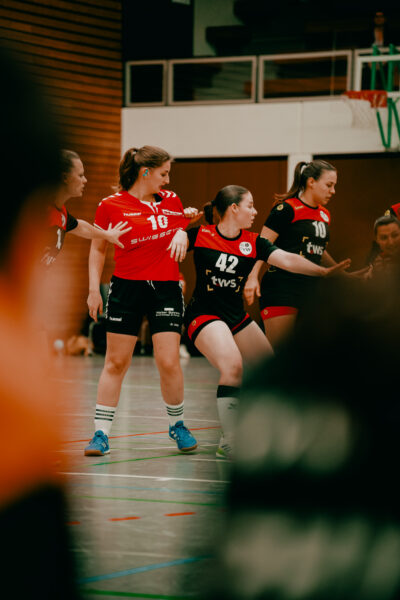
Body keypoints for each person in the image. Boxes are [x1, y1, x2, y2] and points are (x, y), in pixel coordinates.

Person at [183, 185, 350, 458]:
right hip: (204, 314)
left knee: (272, 370)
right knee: (233, 367)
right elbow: (161, 244)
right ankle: (229, 440)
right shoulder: (200, 235)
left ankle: (270, 430)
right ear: (233, 208)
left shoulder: (254, 242)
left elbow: (288, 260)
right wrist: (180, 229)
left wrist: (323, 272)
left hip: (235, 315)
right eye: (250, 205)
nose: (255, 211)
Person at [84, 145, 199, 456]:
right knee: (116, 362)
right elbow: (97, 248)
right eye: (163, 173)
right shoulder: (110, 205)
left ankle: (177, 425)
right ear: (145, 172)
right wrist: (93, 289)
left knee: (169, 361)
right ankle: (100, 434)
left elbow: (180, 226)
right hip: (127, 289)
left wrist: (184, 230)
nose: (167, 180)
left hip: (165, 288)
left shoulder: (172, 200)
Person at [244, 159, 344, 351]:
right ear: (311, 182)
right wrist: (253, 276)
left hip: (311, 289)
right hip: (282, 287)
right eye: (329, 185)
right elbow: (262, 245)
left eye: (334, 186)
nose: (333, 191)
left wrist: (341, 273)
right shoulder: (286, 209)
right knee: (281, 353)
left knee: (311, 352)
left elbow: (317, 249)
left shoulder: (325, 214)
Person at [41, 149, 131, 268]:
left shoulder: (61, 213)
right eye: (80, 175)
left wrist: (107, 235)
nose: (85, 180)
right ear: (65, 177)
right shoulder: (40, 212)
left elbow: (81, 227)